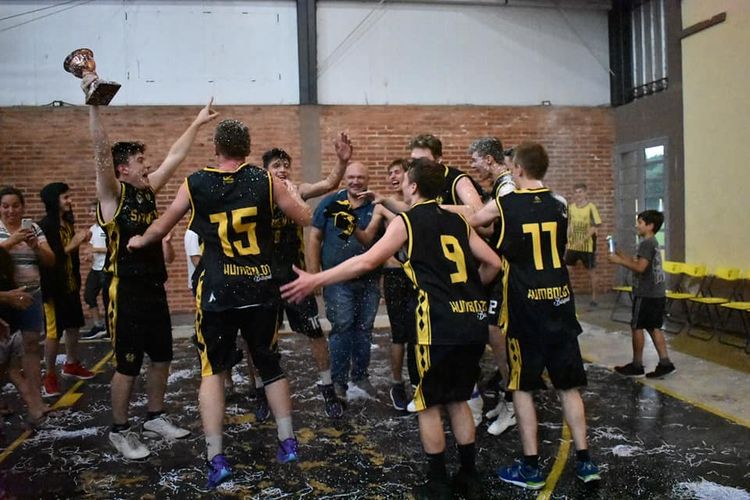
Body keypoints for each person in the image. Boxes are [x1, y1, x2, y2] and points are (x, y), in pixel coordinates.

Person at [281, 158, 501, 500]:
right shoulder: (459, 221)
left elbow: (367, 260)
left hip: (437, 326)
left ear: (413, 186)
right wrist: (467, 293)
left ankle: (438, 483)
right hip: (471, 322)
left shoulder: (407, 221)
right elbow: (494, 263)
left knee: (429, 404)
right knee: (459, 399)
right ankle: (469, 477)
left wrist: (316, 279)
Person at [128, 117, 312, 489]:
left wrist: (139, 241)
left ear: (216, 148)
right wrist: (294, 194)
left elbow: (162, 226)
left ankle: (216, 458)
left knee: (212, 371)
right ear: (248, 148)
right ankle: (287, 441)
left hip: (218, 288)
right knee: (269, 363)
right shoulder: (266, 180)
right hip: (259, 286)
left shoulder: (195, 182)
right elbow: (304, 217)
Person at [84, 72, 218, 460]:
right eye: (140, 161)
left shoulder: (146, 192)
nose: (148, 165)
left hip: (152, 288)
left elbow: (175, 156)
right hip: (123, 289)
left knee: (162, 357)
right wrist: (94, 107)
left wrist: (197, 122)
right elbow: (100, 153)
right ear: (122, 169)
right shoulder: (113, 195)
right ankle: (119, 430)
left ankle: (155, 417)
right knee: (127, 365)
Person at [486, 143, 600, 490]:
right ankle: (586, 462)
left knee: (522, 387)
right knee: (568, 387)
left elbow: (473, 219)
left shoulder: (506, 203)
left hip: (526, 308)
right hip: (560, 303)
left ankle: (531, 467)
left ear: (518, 169)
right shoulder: (560, 203)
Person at [261, 139, 352, 418]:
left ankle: (327, 388)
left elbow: (329, 183)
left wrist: (342, 161)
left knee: (314, 332)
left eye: (286, 165)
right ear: (265, 171)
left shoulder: (297, 190)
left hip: (295, 277)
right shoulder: (256, 193)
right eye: (276, 166)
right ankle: (261, 391)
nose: (282, 170)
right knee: (261, 340)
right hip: (264, 279)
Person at [409, 133, 486, 426]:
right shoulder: (418, 184)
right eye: (413, 161)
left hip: (466, 270)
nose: (416, 165)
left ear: (439, 159)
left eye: (422, 160)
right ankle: (441, 397)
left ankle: (481, 400)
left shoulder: (457, 180)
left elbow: (480, 214)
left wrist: (435, 210)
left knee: (473, 342)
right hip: (439, 276)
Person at [308, 162, 380, 400]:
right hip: (337, 279)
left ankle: (360, 376)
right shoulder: (331, 202)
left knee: (364, 329)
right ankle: (339, 381)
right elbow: (315, 237)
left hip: (369, 280)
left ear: (368, 179)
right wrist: (314, 274)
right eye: (351, 177)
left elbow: (377, 241)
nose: (356, 181)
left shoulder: (375, 205)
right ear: (345, 179)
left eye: (360, 177)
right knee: (342, 327)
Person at [353, 159, 417, 411]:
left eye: (397, 172)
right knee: (399, 334)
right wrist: (351, 225)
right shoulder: (381, 206)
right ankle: (397, 383)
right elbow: (367, 238)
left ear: (409, 177)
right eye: (389, 173)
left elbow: (412, 218)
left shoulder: (416, 205)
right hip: (395, 275)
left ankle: (419, 383)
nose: (392, 177)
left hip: (417, 275)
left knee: (420, 333)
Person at [466, 137, 517, 436]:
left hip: (509, 272)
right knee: (493, 333)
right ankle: (508, 397)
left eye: (474, 159)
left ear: (488, 159)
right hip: (499, 270)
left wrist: (436, 214)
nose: (472, 165)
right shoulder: (499, 186)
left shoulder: (508, 187)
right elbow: (490, 226)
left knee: (498, 334)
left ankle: (513, 402)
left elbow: (479, 220)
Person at [38, 182, 94, 397]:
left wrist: (81, 241)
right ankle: (49, 375)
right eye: (65, 197)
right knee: (54, 332)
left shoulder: (68, 223)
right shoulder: (45, 226)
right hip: (54, 288)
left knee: (73, 326)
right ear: (54, 201)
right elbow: (51, 258)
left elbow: (69, 254)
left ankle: (71, 364)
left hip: (70, 284)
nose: (70, 201)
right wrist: (75, 242)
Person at [0, 186, 55, 401]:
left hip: (31, 294)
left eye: (16, 206)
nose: (11, 211)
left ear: (23, 207)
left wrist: (36, 247)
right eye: (5, 206)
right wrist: (11, 242)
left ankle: (36, 399)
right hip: (5, 297)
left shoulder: (33, 228)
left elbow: (50, 260)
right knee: (3, 352)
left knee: (31, 346)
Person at [608, 210, 676, 379]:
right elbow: (639, 262)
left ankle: (637, 365)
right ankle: (665, 363)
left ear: (650, 226)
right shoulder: (652, 243)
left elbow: (640, 268)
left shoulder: (646, 244)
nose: (637, 225)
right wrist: (623, 256)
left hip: (646, 294)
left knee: (637, 326)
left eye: (640, 223)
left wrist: (619, 261)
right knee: (653, 327)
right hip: (656, 293)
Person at [0, 246, 49, 427]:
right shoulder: (5, 258)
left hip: (8, 325)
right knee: (13, 371)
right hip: (10, 323)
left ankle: (36, 409)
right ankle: (35, 409)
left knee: (13, 370)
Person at [564, 183, 602, 307]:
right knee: (566, 270)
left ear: (585, 193)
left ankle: (594, 298)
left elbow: (595, 226)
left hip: (587, 246)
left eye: (580, 192)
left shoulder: (591, 207)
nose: (578, 195)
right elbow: (569, 224)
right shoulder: (571, 208)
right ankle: (567, 295)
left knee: (592, 272)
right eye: (576, 192)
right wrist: (567, 239)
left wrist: (583, 240)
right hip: (573, 245)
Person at [81, 200, 107, 340]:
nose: (91, 214)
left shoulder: (107, 227)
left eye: (94, 211)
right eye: (90, 211)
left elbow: (112, 248)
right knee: (89, 295)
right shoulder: (93, 229)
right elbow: (91, 248)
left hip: (106, 268)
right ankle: (98, 325)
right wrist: (88, 256)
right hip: (95, 268)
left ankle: (110, 327)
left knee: (108, 298)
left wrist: (95, 250)